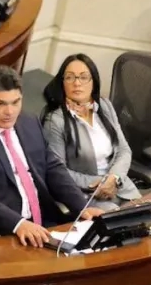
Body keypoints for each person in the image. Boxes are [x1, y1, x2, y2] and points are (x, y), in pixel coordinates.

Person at [0, 66, 104, 247]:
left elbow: (52, 167)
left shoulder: (29, 122)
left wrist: (82, 207)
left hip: (45, 222)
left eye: (16, 102)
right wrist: (18, 224)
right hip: (3, 232)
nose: (10, 112)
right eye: (0, 103)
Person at [41, 54, 141, 210]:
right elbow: (57, 172)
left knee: (149, 216)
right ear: (62, 83)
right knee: (122, 224)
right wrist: (100, 183)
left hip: (120, 187)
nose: (77, 83)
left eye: (83, 77)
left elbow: (123, 150)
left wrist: (114, 178)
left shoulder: (104, 106)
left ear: (93, 82)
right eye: (70, 78)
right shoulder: (55, 121)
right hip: (87, 195)